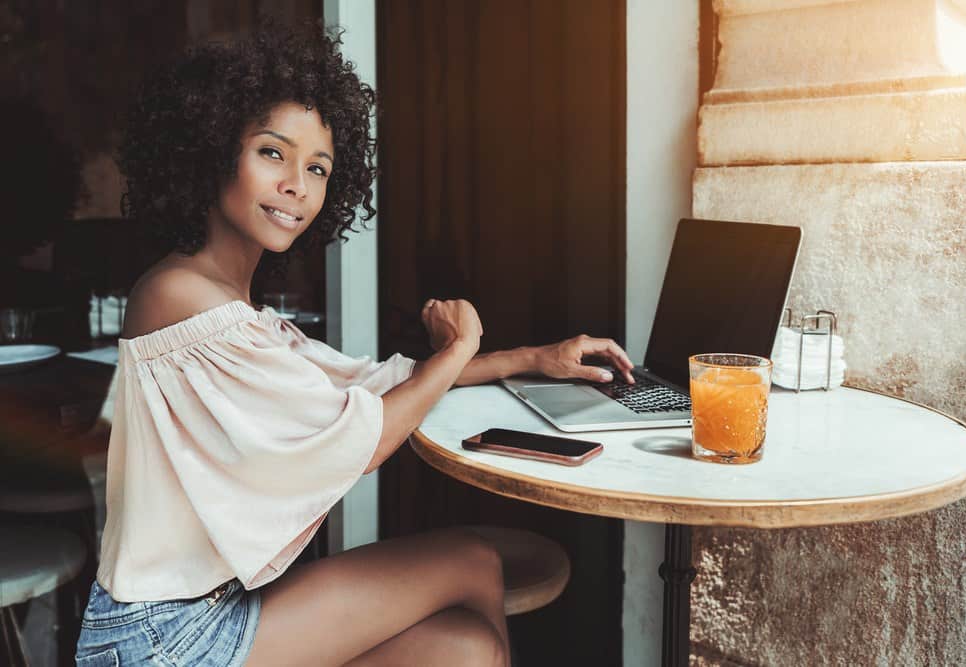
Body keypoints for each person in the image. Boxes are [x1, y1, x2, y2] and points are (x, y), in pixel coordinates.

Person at [74, 22, 635, 667]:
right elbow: (362, 438)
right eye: (272, 153)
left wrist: (533, 359)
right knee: (473, 563)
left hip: (216, 611)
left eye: (318, 168)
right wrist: (457, 348)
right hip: (165, 637)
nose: (298, 185)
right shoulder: (179, 295)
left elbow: (368, 386)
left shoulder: (232, 309)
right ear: (213, 149)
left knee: (467, 649)